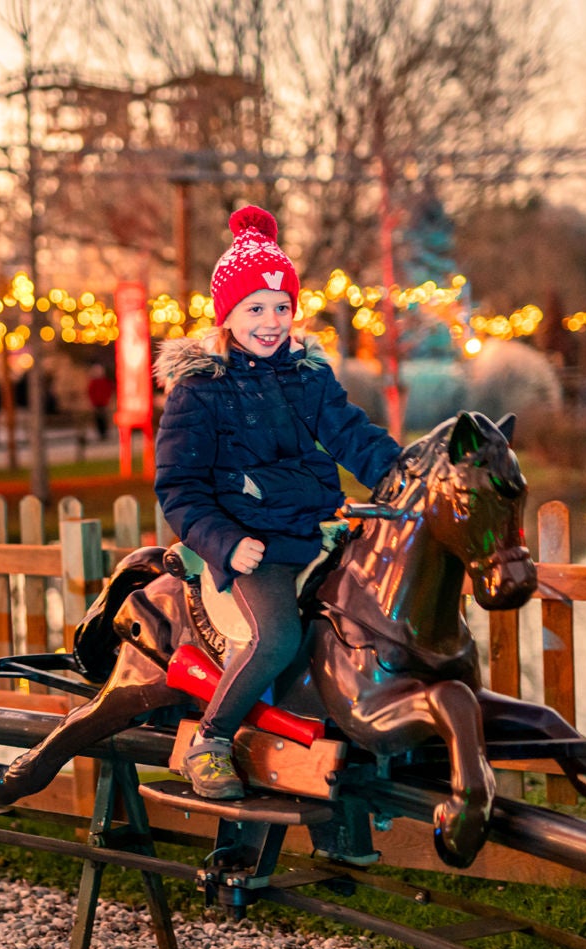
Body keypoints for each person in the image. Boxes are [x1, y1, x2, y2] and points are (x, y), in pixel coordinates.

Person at [153, 205, 403, 800]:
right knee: (278, 638)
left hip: (314, 525)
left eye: (282, 307)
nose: (272, 322)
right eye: (255, 309)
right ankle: (210, 740)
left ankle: (351, 735)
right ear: (228, 315)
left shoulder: (307, 375)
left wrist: (403, 474)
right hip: (251, 542)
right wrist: (226, 542)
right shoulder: (200, 391)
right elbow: (179, 489)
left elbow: (350, 434)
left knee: (377, 612)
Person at [86, 363, 115, 440]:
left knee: (104, 418)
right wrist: (92, 403)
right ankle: (100, 433)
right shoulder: (93, 382)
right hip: (96, 403)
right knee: (98, 419)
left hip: (104, 403)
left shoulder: (105, 382)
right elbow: (90, 392)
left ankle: (105, 433)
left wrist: (109, 400)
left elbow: (109, 391)